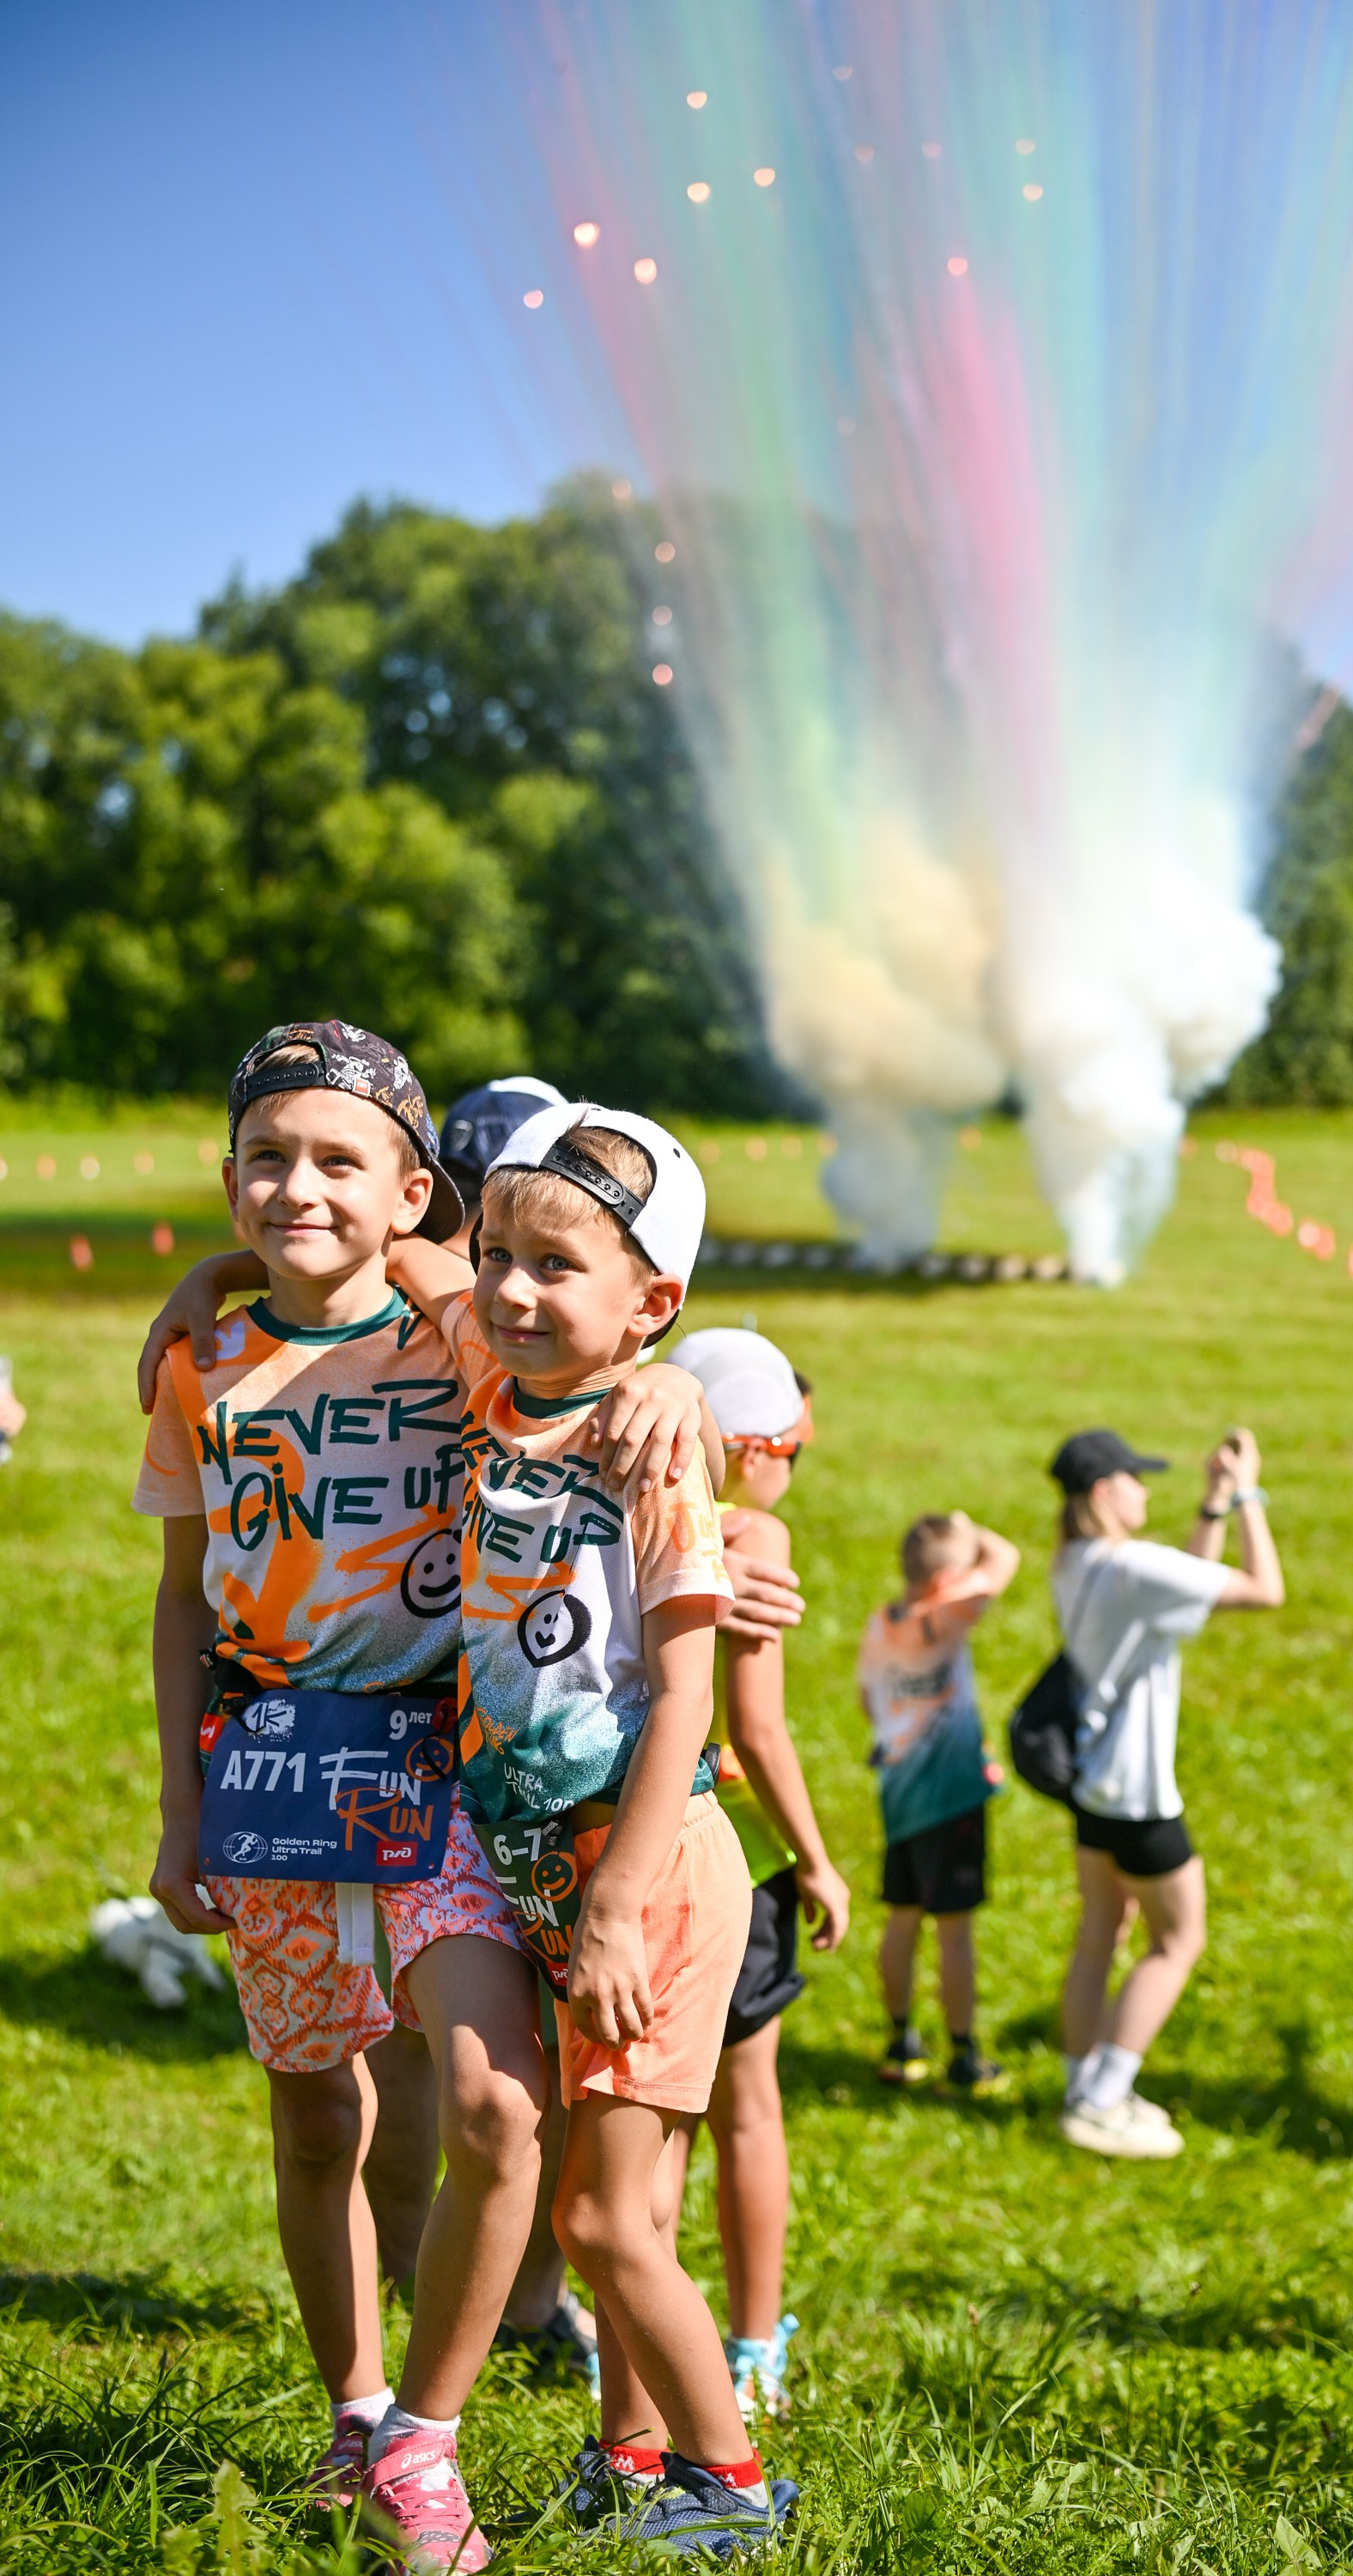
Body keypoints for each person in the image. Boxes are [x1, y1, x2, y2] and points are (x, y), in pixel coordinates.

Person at [134, 1026, 713, 2571]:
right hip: (264, 1773)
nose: (297, 1187)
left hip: (435, 1767)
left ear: (414, 1194)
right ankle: (355, 2410)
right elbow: (182, 1603)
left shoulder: (460, 1327)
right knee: (316, 2108)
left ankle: (425, 2446)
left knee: (488, 2101)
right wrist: (179, 1820)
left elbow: (593, 1317)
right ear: (230, 1177)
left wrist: (686, 1398)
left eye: (341, 1162)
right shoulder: (198, 1362)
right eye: (267, 1157)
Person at [384, 1103, 798, 2551]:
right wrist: (203, 1292)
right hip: (541, 1867)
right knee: (604, 2200)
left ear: (653, 1303)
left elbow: (685, 1695)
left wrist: (615, 1903)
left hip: (649, 1874)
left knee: (609, 2225)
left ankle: (730, 2485)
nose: (508, 1288)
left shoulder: (655, 1449)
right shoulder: (500, 1377)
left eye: (555, 1267)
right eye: (499, 1253)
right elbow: (403, 1245)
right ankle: (630, 2463)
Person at [658, 1327, 849, 2421]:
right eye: (793, 1445)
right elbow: (760, 1735)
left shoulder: (622, 1512)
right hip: (729, 1851)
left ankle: (639, 2341)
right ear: (747, 1444)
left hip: (611, 1838)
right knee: (745, 2110)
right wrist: (817, 1862)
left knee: (645, 2126)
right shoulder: (753, 1531)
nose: (794, 1470)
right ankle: (749, 2342)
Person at [1050, 1425, 1283, 2160]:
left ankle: (1078, 2079)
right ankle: (1103, 2098)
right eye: (1136, 1478)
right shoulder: (1131, 1567)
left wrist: (1210, 1506)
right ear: (1103, 1492)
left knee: (1100, 1931)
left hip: (1092, 1782)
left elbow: (1185, 1589)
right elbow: (1264, 1591)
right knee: (1179, 1941)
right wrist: (1248, 1495)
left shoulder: (1078, 1560)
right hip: (1141, 1793)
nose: (1147, 1489)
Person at [859, 1511, 1020, 2095]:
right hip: (951, 1798)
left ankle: (901, 2043)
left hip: (899, 1796)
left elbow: (866, 1701)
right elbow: (1006, 1561)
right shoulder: (944, 1618)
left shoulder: (882, 1624)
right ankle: (963, 2055)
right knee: (954, 1930)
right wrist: (974, 1529)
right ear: (947, 1578)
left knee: (902, 1917)